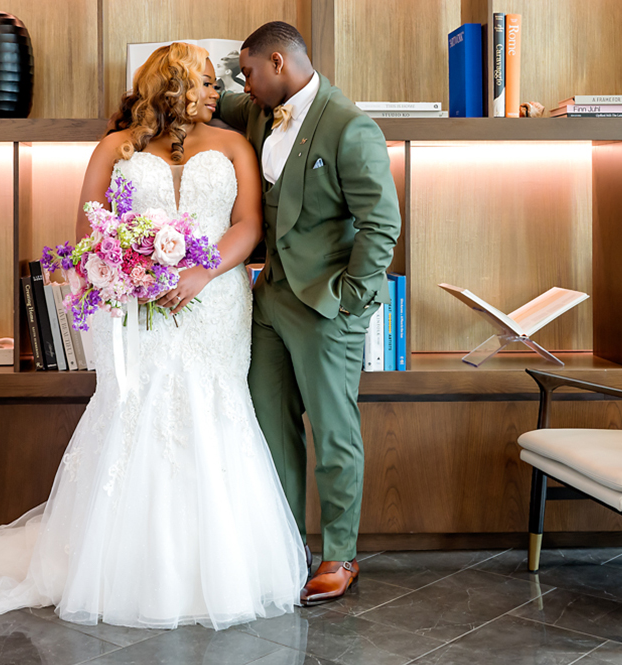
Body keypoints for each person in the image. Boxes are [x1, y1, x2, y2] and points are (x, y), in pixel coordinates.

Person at [0, 42, 307, 630]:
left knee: (213, 410)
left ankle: (218, 569)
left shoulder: (234, 145)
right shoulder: (115, 147)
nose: (216, 94)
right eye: (205, 83)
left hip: (215, 305)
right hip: (133, 308)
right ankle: (125, 568)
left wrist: (200, 273)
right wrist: (134, 273)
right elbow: (88, 233)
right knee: (136, 412)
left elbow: (250, 226)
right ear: (172, 86)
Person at [213, 22, 402, 605]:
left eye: (250, 72)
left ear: (277, 62)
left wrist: (352, 300)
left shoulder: (350, 126)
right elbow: (213, 85)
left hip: (326, 308)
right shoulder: (257, 106)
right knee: (272, 430)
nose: (243, 84)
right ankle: (285, 547)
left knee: (334, 432)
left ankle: (340, 555)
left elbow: (382, 224)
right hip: (266, 300)